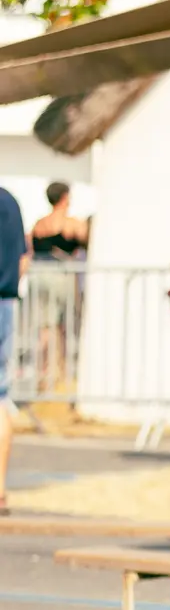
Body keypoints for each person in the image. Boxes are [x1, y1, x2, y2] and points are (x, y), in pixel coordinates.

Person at [0, 182, 23, 515]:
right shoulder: (9, 201)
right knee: (1, 397)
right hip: (6, 302)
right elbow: (24, 258)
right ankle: (1, 488)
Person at [30, 182, 89, 259]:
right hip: (68, 269)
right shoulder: (74, 224)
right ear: (65, 197)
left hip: (41, 269)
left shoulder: (38, 224)